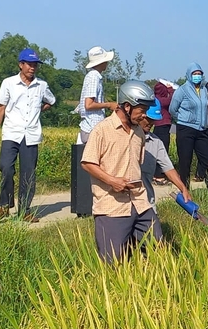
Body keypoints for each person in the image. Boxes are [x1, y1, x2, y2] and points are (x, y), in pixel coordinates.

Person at [80, 80, 157, 263]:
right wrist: (112, 180)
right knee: (112, 262)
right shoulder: (102, 130)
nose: (144, 115)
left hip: (140, 202)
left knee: (159, 249)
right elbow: (87, 163)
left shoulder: (139, 132)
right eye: (141, 110)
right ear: (128, 106)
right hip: (112, 206)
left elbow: (137, 162)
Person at [0, 48, 56, 223]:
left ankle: (25, 210)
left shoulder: (41, 85)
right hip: (12, 132)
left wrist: (39, 111)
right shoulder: (9, 83)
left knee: (28, 173)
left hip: (31, 134)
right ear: (21, 65)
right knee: (6, 167)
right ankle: (4, 205)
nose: (32, 68)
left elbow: (51, 100)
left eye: (35, 65)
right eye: (29, 64)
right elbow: (1, 108)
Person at [139, 101, 191, 234]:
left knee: (155, 240)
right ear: (141, 115)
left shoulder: (156, 142)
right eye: (149, 119)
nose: (151, 124)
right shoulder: (124, 138)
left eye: (154, 120)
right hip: (124, 204)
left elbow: (168, 168)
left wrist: (182, 188)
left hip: (146, 203)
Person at [169, 62, 208, 190]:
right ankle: (184, 190)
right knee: (185, 161)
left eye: (199, 74)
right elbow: (173, 109)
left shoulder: (203, 90)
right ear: (189, 75)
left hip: (202, 130)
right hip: (186, 129)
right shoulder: (182, 90)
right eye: (195, 74)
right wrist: (183, 119)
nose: (197, 76)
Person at [77, 46, 117, 144]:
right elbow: (89, 105)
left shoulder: (94, 76)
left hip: (92, 127)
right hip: (92, 128)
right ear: (101, 62)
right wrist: (108, 105)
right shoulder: (94, 77)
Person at [151, 79, 176, 185]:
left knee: (160, 150)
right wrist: (171, 90)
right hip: (162, 127)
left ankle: (158, 174)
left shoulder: (155, 98)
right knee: (162, 151)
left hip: (160, 127)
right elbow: (172, 100)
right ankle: (158, 176)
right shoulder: (161, 100)